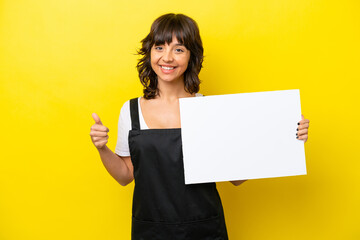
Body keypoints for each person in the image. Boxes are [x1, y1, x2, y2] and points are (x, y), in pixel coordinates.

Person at [90, 13, 310, 240]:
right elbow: (125, 175)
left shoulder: (207, 109)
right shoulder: (131, 110)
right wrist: (102, 148)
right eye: (159, 47)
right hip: (151, 230)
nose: (167, 58)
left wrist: (286, 136)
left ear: (191, 56)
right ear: (149, 53)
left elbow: (235, 178)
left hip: (204, 229)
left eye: (178, 49)